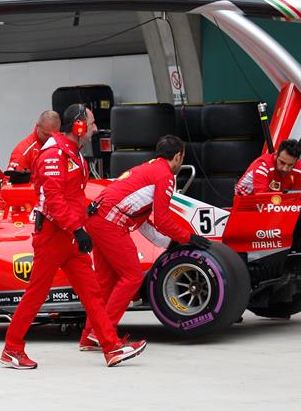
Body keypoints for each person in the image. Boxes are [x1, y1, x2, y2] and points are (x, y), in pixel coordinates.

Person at [0, 104, 147, 369]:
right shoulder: (54, 154)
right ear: (78, 126)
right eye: (90, 124)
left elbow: (72, 196)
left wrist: (82, 224)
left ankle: (111, 347)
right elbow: (53, 200)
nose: (93, 130)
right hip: (54, 235)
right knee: (36, 294)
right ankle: (12, 349)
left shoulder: (73, 154)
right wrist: (78, 229)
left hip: (70, 235)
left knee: (92, 292)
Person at [81, 135, 212, 349]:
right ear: (178, 156)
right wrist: (188, 238)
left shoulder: (147, 168)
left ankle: (89, 336)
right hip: (110, 223)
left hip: (96, 219)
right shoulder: (166, 176)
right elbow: (162, 219)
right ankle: (102, 333)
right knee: (132, 277)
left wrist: (169, 243)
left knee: (106, 283)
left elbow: (142, 220)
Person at [0, 110, 61, 211]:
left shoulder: (60, 146)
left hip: (52, 207)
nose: (49, 139)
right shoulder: (24, 150)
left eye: (53, 135)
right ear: (37, 126)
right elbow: (8, 184)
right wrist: (1, 213)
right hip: (29, 209)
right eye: (46, 134)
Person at [235, 139, 301, 196]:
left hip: (273, 199)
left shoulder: (299, 168)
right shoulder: (262, 166)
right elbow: (262, 199)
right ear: (276, 155)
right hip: (245, 198)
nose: (285, 168)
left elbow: (295, 197)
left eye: (290, 165)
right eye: (282, 162)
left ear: (296, 161)